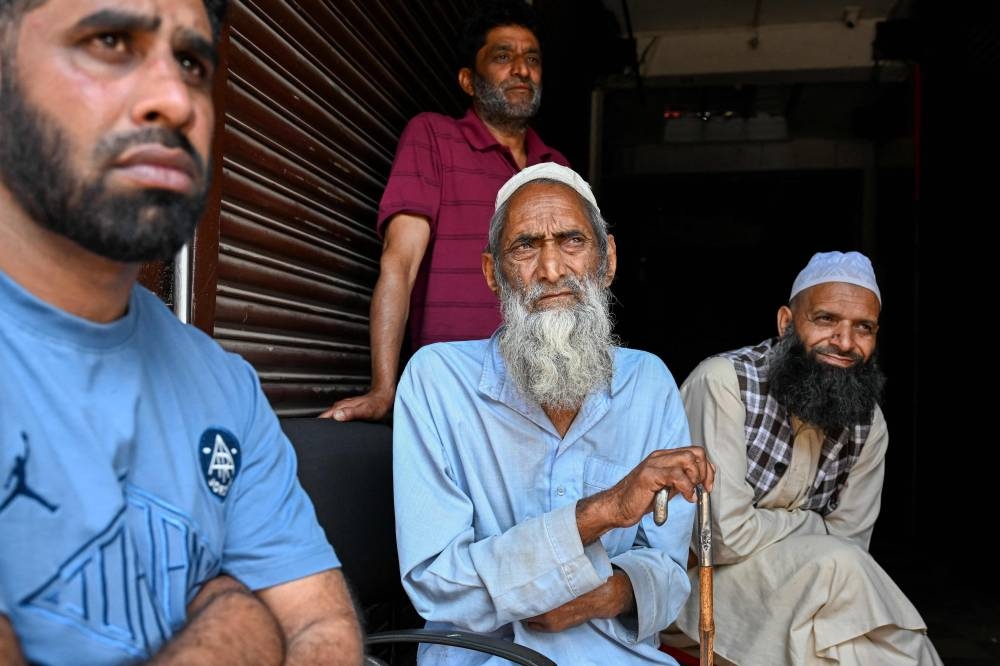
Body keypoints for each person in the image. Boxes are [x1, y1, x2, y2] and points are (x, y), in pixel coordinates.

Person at [0, 1, 363, 663]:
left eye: (193, 63)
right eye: (111, 41)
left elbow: (320, 628)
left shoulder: (225, 386)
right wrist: (236, 618)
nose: (177, 100)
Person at [392, 163, 715, 664]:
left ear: (606, 259)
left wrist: (603, 596)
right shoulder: (436, 381)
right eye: (525, 247)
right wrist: (602, 512)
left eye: (571, 241)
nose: (551, 269)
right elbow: (436, 583)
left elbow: (670, 569)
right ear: (492, 274)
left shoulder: (648, 383)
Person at [664, 251, 942, 665]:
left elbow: (853, 545)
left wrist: (787, 534)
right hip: (694, 589)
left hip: (808, 592)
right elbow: (719, 538)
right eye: (826, 319)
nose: (845, 342)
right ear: (786, 323)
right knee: (837, 574)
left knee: (846, 639)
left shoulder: (868, 424)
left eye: (862, 328)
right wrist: (813, 524)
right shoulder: (726, 384)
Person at [322, 0, 568, 423]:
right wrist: (384, 388)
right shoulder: (433, 137)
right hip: (454, 392)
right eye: (503, 57)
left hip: (540, 396)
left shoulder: (556, 167)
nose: (522, 70)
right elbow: (400, 263)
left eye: (532, 59)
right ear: (468, 81)